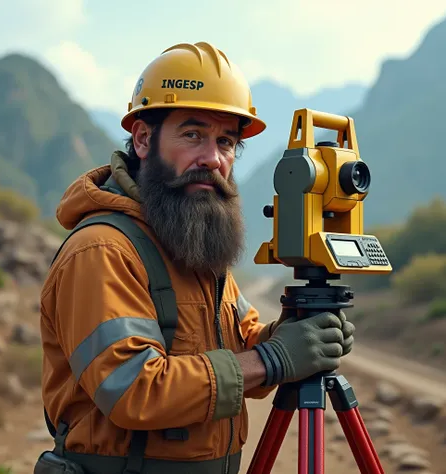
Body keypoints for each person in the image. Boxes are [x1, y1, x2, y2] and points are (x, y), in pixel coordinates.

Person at [37, 41, 355, 474]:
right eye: (193, 134)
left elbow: (241, 350)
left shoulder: (194, 243)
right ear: (144, 139)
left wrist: (290, 336)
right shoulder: (102, 250)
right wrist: (273, 359)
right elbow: (132, 389)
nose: (212, 158)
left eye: (226, 141)